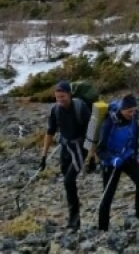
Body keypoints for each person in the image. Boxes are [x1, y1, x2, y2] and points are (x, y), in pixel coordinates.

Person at [39, 80, 91, 230]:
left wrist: (92, 155)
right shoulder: (55, 111)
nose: (60, 100)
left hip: (81, 148)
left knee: (68, 181)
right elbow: (50, 133)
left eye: (63, 96)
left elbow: (92, 132)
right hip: (65, 148)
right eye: (57, 97)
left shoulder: (80, 107)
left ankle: (74, 220)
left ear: (69, 94)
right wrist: (43, 156)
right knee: (68, 184)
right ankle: (74, 218)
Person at [96, 94, 139, 232]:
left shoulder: (134, 118)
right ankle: (102, 228)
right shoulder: (109, 122)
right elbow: (100, 150)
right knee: (108, 194)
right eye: (128, 111)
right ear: (122, 109)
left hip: (127, 157)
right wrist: (111, 160)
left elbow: (135, 136)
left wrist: (135, 153)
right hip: (111, 161)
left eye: (134, 110)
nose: (132, 114)